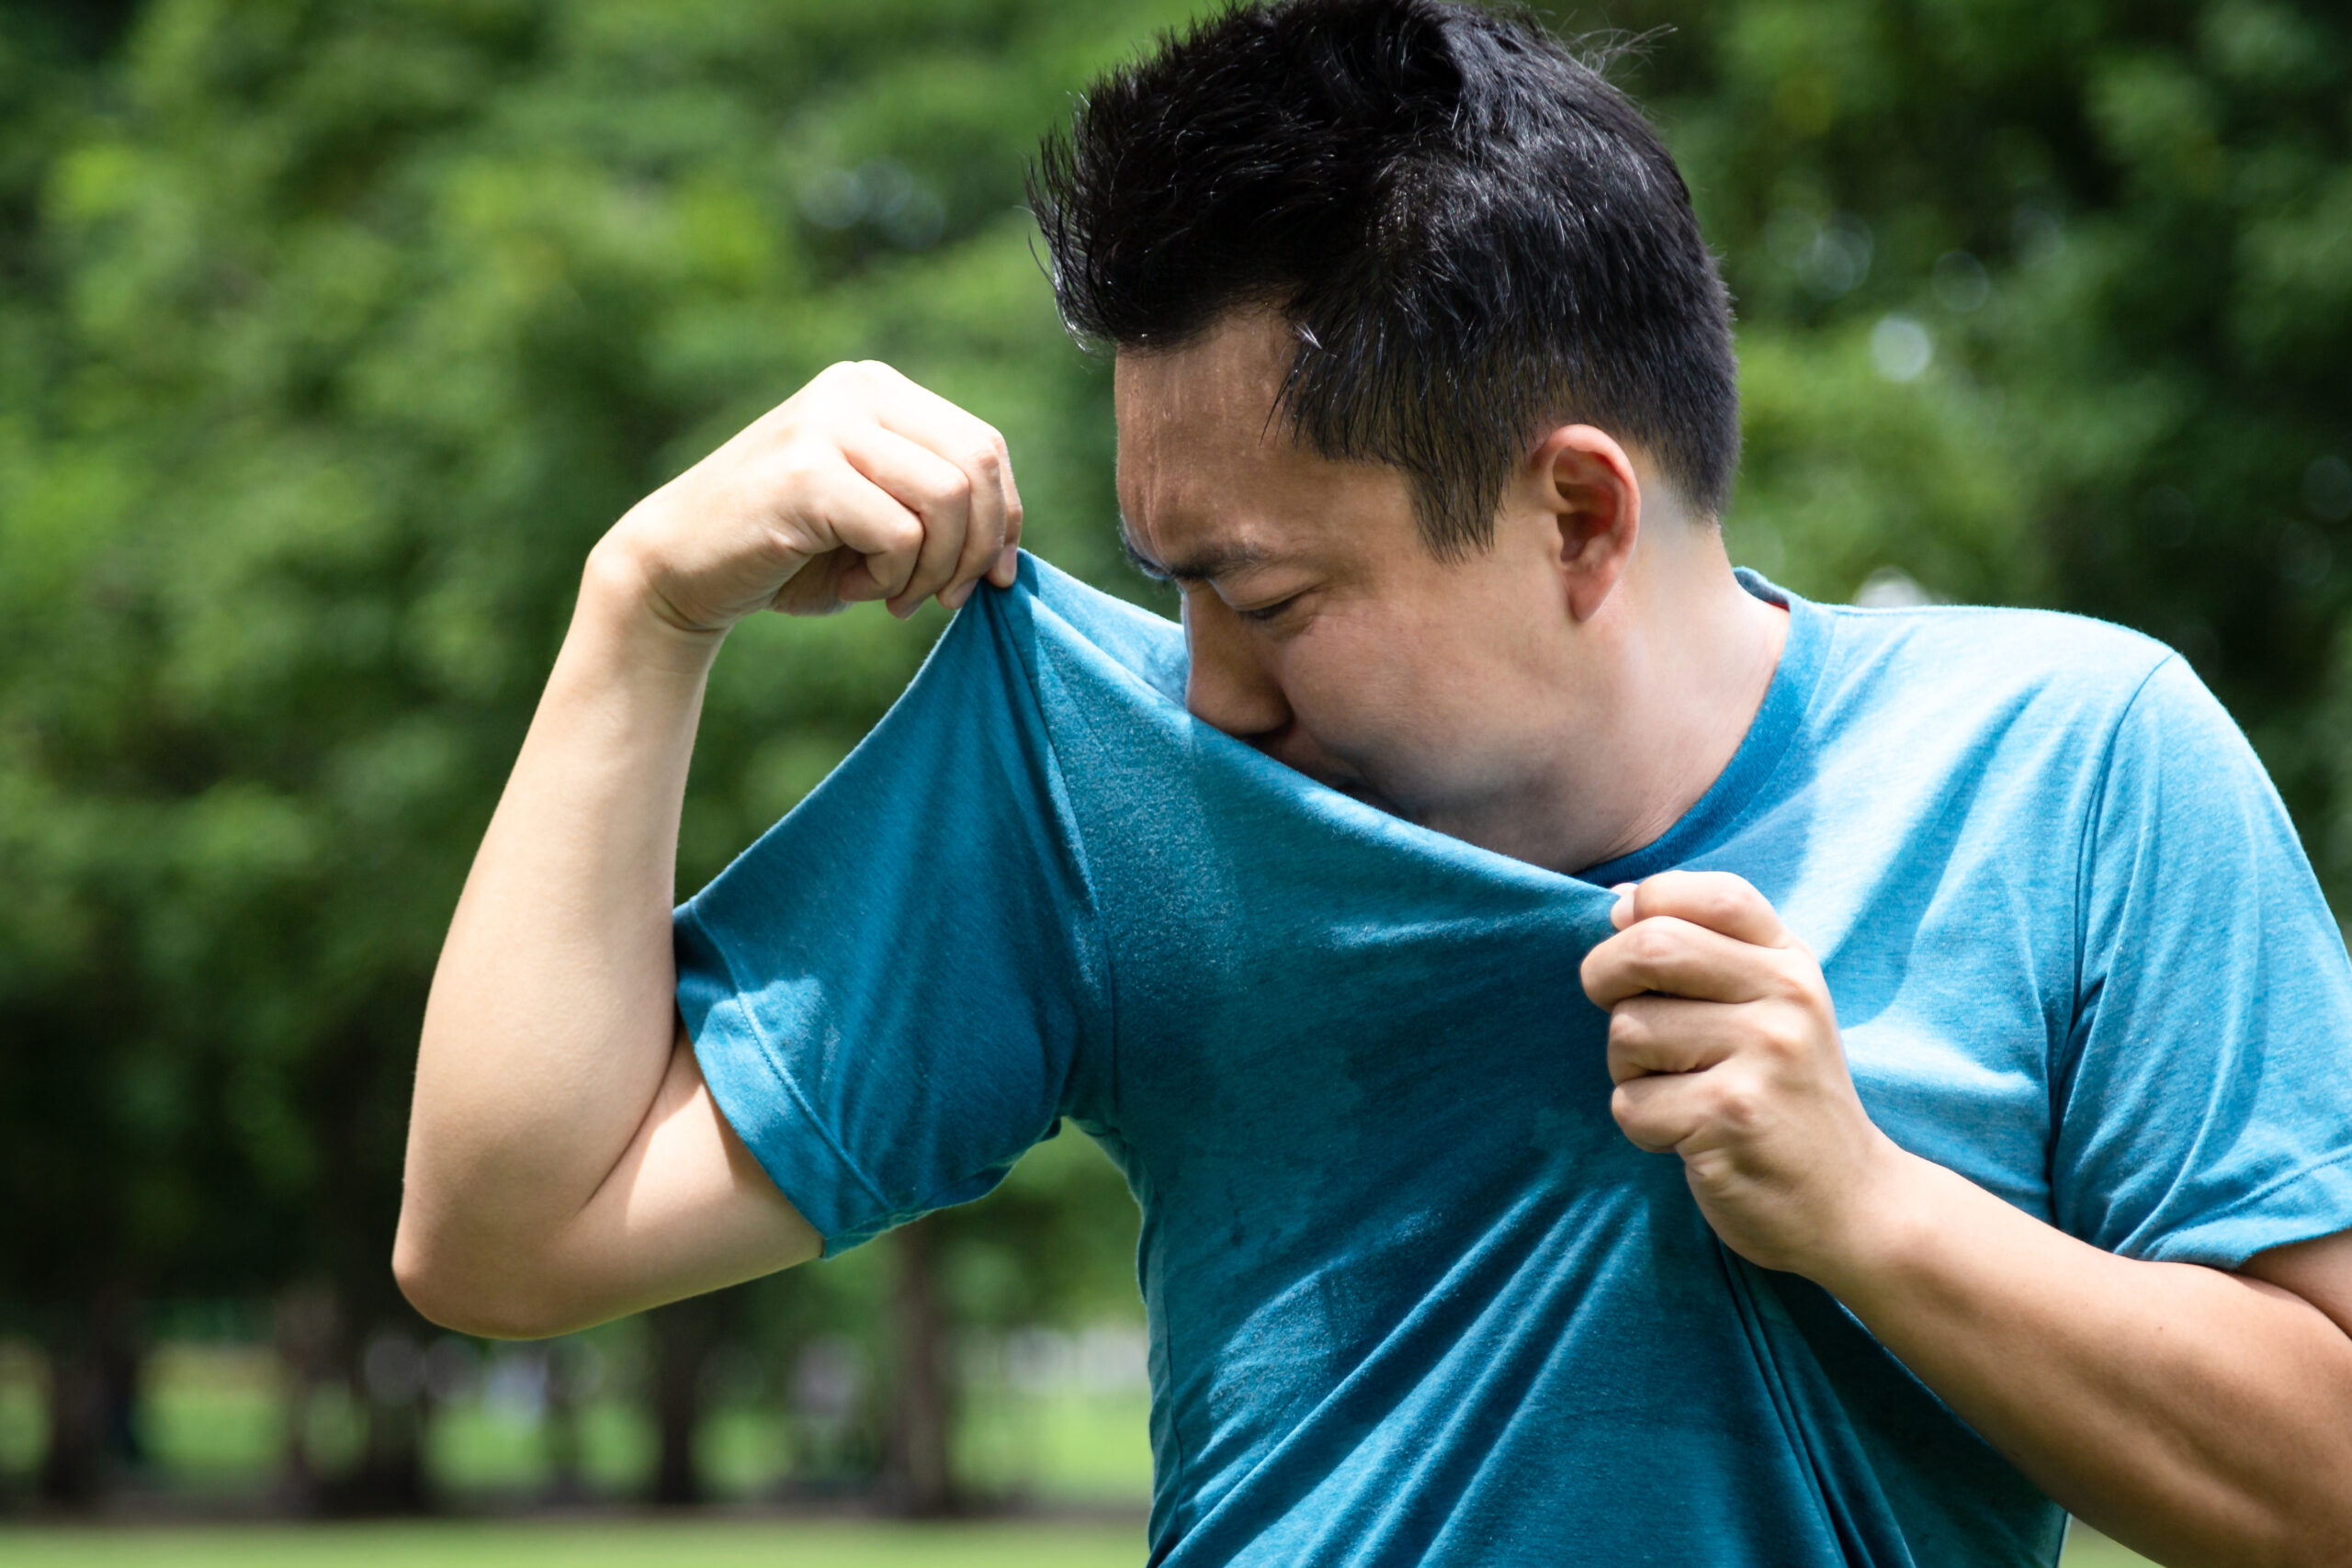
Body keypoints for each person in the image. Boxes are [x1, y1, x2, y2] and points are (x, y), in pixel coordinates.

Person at [393, 1, 2352, 1562]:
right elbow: (501, 1236)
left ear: (1575, 513)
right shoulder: (1124, 783)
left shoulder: (2075, 770)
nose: (1209, 688)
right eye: (1171, 588)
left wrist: (1872, 1215)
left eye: (1266, 600)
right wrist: (641, 611)